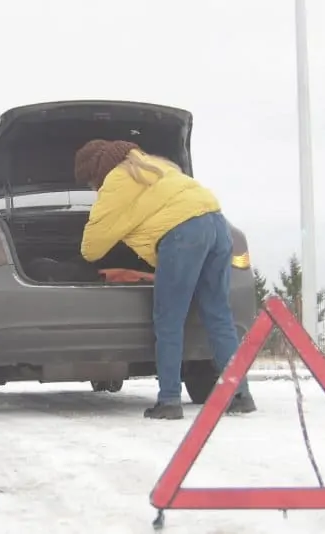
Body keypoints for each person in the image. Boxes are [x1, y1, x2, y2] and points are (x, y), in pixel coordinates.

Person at [74, 139, 256, 420]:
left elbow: (91, 248)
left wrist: (123, 226)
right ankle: (240, 394)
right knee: (218, 314)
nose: (92, 188)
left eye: (89, 182)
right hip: (218, 224)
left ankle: (169, 400)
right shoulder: (158, 166)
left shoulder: (114, 182)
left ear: (95, 171)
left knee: (169, 319)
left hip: (183, 235)